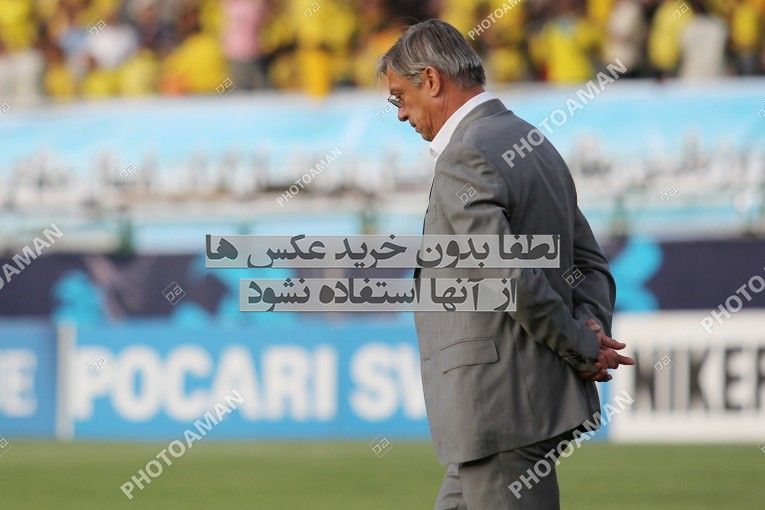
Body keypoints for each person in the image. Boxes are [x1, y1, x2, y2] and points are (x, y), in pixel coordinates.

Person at [375, 19, 635, 509]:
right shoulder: (532, 141)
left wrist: (583, 344)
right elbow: (587, 261)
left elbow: (508, 276)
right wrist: (591, 322)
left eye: (398, 98)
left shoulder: (464, 155)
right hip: (509, 415)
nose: (401, 114)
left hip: (500, 410)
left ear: (430, 80)